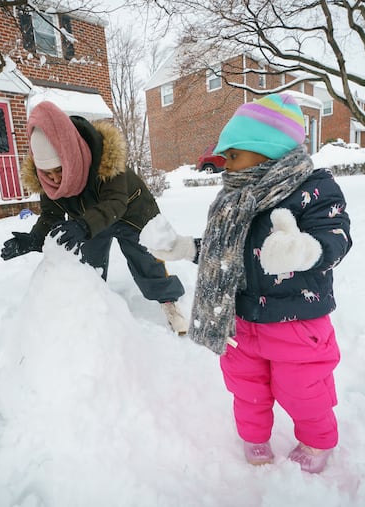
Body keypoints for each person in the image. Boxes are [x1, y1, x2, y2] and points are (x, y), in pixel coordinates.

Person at [150, 93, 352, 473]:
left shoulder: (315, 189)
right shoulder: (233, 196)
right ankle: (255, 438)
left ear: (267, 149)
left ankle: (317, 440)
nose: (225, 163)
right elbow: (224, 251)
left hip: (297, 322)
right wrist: (183, 247)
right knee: (246, 389)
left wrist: (303, 250)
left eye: (233, 154)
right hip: (240, 319)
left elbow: (337, 236)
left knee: (304, 389)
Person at [0, 100, 188, 334]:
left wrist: (82, 225)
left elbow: (115, 202)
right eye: (47, 174)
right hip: (89, 221)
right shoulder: (48, 181)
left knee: (146, 260)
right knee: (89, 266)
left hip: (131, 212)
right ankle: (94, 308)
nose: (55, 180)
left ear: (70, 156)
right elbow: (51, 214)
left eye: (59, 170)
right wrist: (34, 239)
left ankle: (168, 300)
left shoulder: (104, 157)